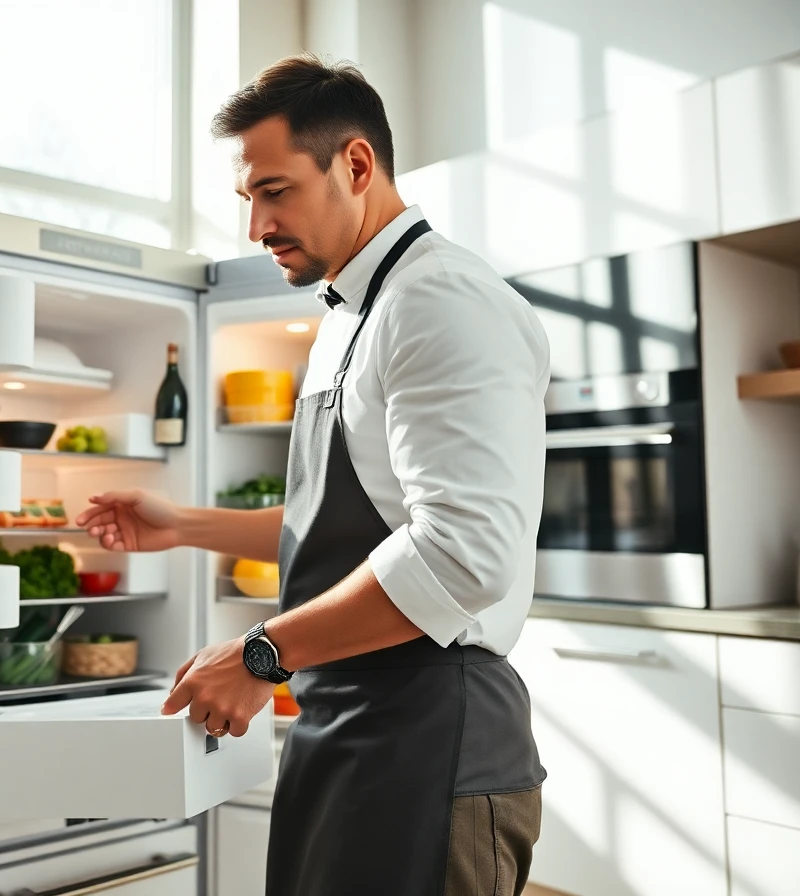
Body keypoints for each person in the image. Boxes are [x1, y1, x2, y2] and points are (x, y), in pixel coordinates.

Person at [75, 53, 550, 896]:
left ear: (356, 164)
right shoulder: (350, 310)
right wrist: (184, 523)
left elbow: (463, 555)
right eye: (248, 199)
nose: (256, 226)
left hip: (432, 736)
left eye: (276, 190)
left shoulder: (442, 302)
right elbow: (350, 519)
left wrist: (261, 654)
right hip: (352, 721)